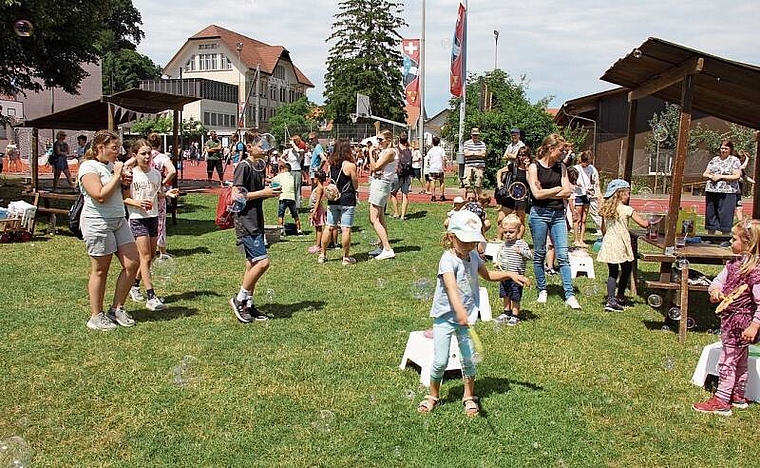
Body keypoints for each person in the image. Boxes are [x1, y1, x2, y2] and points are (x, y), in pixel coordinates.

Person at [417, 210, 530, 416]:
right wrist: (459, 310)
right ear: (452, 237)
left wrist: (510, 274)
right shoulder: (447, 260)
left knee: (468, 359)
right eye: (465, 241)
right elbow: (451, 287)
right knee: (440, 360)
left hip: (466, 318)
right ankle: (433, 395)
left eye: (473, 241)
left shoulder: (474, 256)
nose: (470, 245)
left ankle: (469, 396)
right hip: (445, 317)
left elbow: (488, 275)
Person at [692, 219, 760, 416]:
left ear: (748, 244)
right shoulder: (733, 264)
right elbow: (718, 281)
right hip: (732, 321)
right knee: (740, 359)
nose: (730, 242)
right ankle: (738, 396)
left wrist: (754, 326)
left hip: (742, 324)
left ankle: (722, 400)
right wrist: (714, 290)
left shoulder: (755, 272)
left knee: (728, 359)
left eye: (734, 239)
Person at [78, 130, 140, 331]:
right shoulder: (88, 167)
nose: (118, 152)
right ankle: (96, 316)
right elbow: (99, 195)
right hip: (98, 222)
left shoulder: (113, 166)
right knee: (100, 270)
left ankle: (117, 308)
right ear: (99, 148)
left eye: (118, 147)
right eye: (114, 148)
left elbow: (118, 193)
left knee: (133, 264)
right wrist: (116, 176)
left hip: (118, 220)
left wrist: (123, 184)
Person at [229, 131, 282, 323]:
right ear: (249, 147)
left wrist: (268, 187)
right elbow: (236, 196)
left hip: (255, 219)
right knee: (263, 262)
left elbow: (251, 191)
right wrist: (263, 192)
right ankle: (239, 298)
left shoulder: (257, 166)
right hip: (246, 222)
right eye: (261, 145)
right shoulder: (243, 166)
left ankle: (248, 304)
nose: (265, 148)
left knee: (252, 263)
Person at [526, 133, 580, 309]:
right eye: (560, 150)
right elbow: (536, 195)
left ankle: (569, 295)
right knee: (540, 253)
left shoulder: (561, 168)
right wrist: (556, 189)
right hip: (539, 214)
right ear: (550, 149)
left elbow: (567, 192)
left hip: (558, 215)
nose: (563, 154)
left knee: (563, 255)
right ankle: (542, 290)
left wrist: (549, 191)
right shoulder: (533, 168)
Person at [123, 139, 177, 312]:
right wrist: (138, 204)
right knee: (145, 256)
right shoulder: (130, 174)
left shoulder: (155, 173)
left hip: (153, 217)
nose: (147, 157)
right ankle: (151, 296)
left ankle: (135, 284)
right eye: (143, 153)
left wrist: (167, 194)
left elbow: (157, 194)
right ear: (135, 155)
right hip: (137, 218)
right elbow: (125, 198)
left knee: (151, 256)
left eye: (149, 153)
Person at [596, 179, 649, 312]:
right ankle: (615, 299)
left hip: (609, 242)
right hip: (620, 243)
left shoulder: (606, 209)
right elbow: (643, 224)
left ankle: (614, 298)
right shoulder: (627, 209)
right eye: (627, 193)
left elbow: (603, 229)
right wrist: (651, 221)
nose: (629, 196)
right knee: (625, 268)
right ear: (620, 194)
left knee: (614, 271)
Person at [318, 138, 359, 265]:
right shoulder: (350, 165)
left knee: (329, 227)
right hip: (347, 199)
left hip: (333, 199)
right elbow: (355, 184)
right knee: (346, 229)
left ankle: (322, 255)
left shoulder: (332, 163)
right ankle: (345, 257)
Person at [496, 214, 532, 325]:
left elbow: (530, 256)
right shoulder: (504, 245)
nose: (507, 234)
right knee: (505, 295)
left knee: (515, 296)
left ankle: (515, 315)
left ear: (518, 230)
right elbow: (502, 257)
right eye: (505, 232)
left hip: (517, 276)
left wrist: (521, 251)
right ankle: (506, 312)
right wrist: (498, 264)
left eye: (511, 232)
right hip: (505, 275)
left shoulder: (521, 243)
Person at [367, 130, 397, 260]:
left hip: (381, 184)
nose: (378, 142)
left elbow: (375, 167)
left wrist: (369, 153)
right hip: (379, 183)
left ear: (388, 140)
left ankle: (387, 248)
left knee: (373, 218)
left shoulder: (390, 152)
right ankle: (382, 246)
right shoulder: (386, 152)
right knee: (380, 217)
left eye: (380, 139)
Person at [703, 139, 742, 235]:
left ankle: (725, 237)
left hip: (727, 192)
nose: (723, 150)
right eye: (722, 148)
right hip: (712, 190)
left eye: (726, 148)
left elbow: (737, 176)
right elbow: (705, 173)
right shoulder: (714, 160)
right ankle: (710, 236)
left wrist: (721, 176)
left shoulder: (734, 160)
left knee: (725, 214)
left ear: (730, 149)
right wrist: (711, 176)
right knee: (711, 214)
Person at [495, 145, 532, 239]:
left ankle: (518, 241)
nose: (521, 157)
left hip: (523, 196)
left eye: (523, 155)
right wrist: (499, 182)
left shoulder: (532, 167)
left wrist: (527, 168)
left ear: (528, 156)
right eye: (519, 155)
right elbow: (500, 171)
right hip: (510, 195)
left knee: (520, 220)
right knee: (501, 219)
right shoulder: (514, 166)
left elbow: (531, 181)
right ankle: (499, 240)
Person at [272, 162, 303, 236]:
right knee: (295, 215)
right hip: (291, 198)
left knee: (281, 215)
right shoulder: (292, 177)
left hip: (283, 197)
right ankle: (299, 230)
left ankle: (281, 231)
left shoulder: (281, 175)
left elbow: (273, 180)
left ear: (285, 169)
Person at [572, 151, 596, 247]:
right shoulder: (576, 168)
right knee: (577, 218)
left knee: (584, 219)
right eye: (585, 162)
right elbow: (572, 181)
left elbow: (592, 179)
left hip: (587, 194)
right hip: (578, 194)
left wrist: (592, 185)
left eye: (588, 162)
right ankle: (576, 239)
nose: (587, 164)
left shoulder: (591, 168)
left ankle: (582, 239)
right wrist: (578, 184)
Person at [390, 133, 413, 220]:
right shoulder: (409, 150)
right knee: (405, 195)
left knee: (393, 193)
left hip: (397, 173)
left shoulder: (395, 150)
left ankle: (396, 213)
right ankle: (403, 215)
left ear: (399, 140)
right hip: (407, 174)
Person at [462, 127, 487, 197]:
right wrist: (477, 154)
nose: (475, 136)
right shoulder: (466, 143)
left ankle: (479, 198)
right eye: (474, 135)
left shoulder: (482, 144)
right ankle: (468, 198)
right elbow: (466, 154)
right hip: (469, 165)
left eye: (476, 135)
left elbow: (483, 154)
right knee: (466, 181)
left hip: (479, 166)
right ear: (471, 135)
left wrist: (472, 153)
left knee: (479, 181)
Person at [308, 170, 328, 254]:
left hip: (318, 210)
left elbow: (318, 201)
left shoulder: (319, 189)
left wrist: (314, 212)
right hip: (316, 209)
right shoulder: (318, 188)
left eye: (315, 177)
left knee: (319, 228)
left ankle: (318, 245)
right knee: (317, 227)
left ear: (318, 179)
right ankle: (317, 244)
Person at [427, 136, 446, 202]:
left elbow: (428, 159)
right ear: (439, 142)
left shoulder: (430, 150)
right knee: (442, 181)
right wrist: (444, 166)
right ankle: (442, 195)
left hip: (432, 168)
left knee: (432, 181)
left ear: (432, 142)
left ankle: (433, 196)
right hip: (440, 168)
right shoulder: (441, 149)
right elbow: (444, 158)